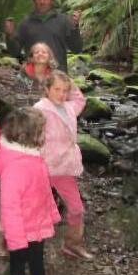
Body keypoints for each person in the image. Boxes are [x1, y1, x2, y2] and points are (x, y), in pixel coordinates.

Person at [0, 108, 60, 275]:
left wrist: (52, 213)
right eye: (42, 131)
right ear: (28, 135)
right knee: (18, 260)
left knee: (37, 259)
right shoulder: (15, 169)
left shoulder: (34, 157)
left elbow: (45, 189)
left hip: (38, 221)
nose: (45, 135)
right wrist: (15, 239)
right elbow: (10, 209)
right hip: (20, 228)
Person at [34, 70, 93, 260]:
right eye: (57, 89)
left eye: (64, 90)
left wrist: (70, 83)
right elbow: (29, 136)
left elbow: (80, 100)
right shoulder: (39, 110)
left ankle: (72, 244)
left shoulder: (69, 107)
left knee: (77, 208)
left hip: (63, 168)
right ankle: (14, 244)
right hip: (42, 167)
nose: (61, 94)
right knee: (30, 207)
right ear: (47, 89)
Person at [5, 0, 82, 72]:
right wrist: (10, 35)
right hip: (33, 76)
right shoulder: (25, 23)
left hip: (57, 75)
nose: (42, 2)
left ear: (51, 1)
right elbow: (14, 52)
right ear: (34, 1)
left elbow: (77, 49)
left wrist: (74, 28)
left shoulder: (63, 20)